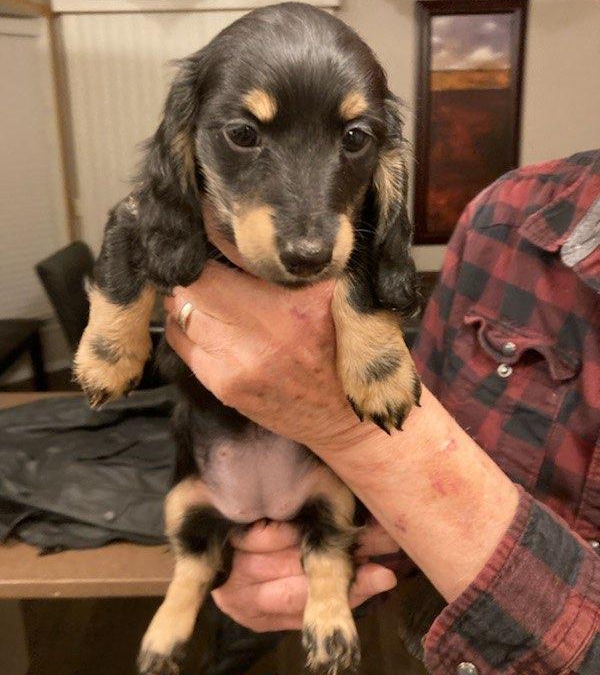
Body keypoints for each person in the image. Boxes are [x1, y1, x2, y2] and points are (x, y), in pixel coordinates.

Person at [164, 150, 600, 675]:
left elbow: (383, 439)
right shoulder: (503, 212)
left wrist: (345, 430)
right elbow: (412, 409)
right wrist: (303, 557)